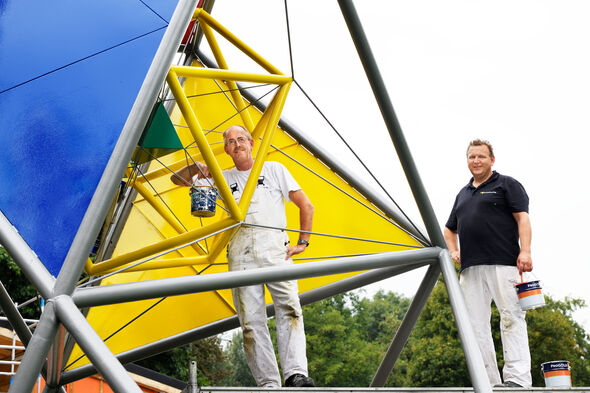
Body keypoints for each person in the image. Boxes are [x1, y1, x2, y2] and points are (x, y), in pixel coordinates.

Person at [171, 125, 315, 388]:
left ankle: (296, 374)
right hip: (240, 252)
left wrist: (302, 242)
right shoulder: (222, 177)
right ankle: (268, 383)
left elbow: (306, 204)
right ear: (226, 149)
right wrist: (197, 168)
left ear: (251, 142)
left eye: (241, 140)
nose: (237, 145)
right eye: (231, 142)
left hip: (275, 248)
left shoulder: (273, 169)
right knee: (251, 321)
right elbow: (176, 180)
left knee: (290, 308)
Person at [443, 139, 533, 388]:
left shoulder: (507, 184)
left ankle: (517, 379)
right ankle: (488, 381)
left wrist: (525, 251)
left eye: (481, 156)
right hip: (471, 268)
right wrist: (453, 251)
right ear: (467, 161)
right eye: (472, 157)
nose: (476, 161)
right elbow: (449, 229)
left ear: (492, 159)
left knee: (511, 317)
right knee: (474, 327)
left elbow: (522, 219)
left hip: (503, 262)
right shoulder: (463, 194)